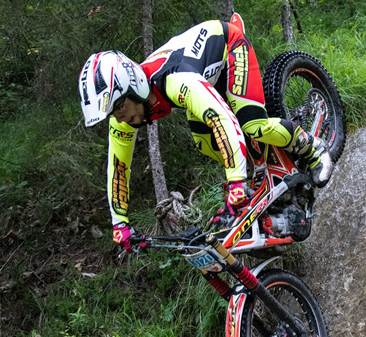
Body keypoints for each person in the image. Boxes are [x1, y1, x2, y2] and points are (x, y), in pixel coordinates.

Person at [78, 16, 333, 252]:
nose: (119, 117)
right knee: (205, 143)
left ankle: (312, 148)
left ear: (134, 88)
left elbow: (220, 118)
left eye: (119, 107)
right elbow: (118, 169)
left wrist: (235, 182)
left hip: (229, 46)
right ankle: (261, 178)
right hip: (205, 77)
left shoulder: (174, 80)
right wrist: (119, 224)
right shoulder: (125, 117)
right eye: (112, 114)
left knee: (252, 125)